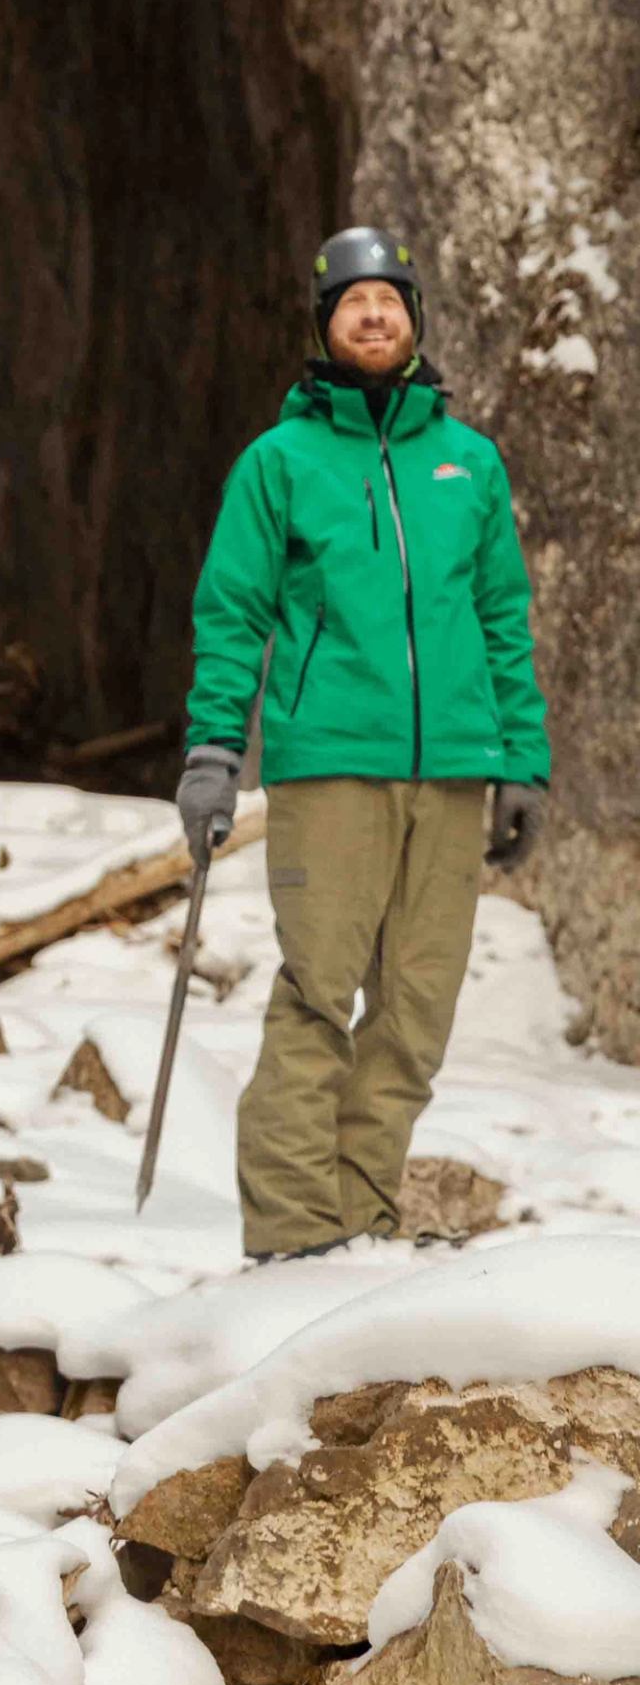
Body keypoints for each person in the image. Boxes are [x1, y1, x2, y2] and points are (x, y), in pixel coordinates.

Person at [177, 224, 550, 1264]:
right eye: (353, 302)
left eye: (390, 299)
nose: (374, 314)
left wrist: (522, 762)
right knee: (318, 993)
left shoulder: (470, 464)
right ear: (323, 327)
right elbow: (232, 613)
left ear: (416, 320)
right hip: (331, 762)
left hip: (454, 770)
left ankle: (362, 1222)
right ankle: (296, 1237)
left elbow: (503, 619)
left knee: (417, 1010)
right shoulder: (280, 462)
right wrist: (213, 752)